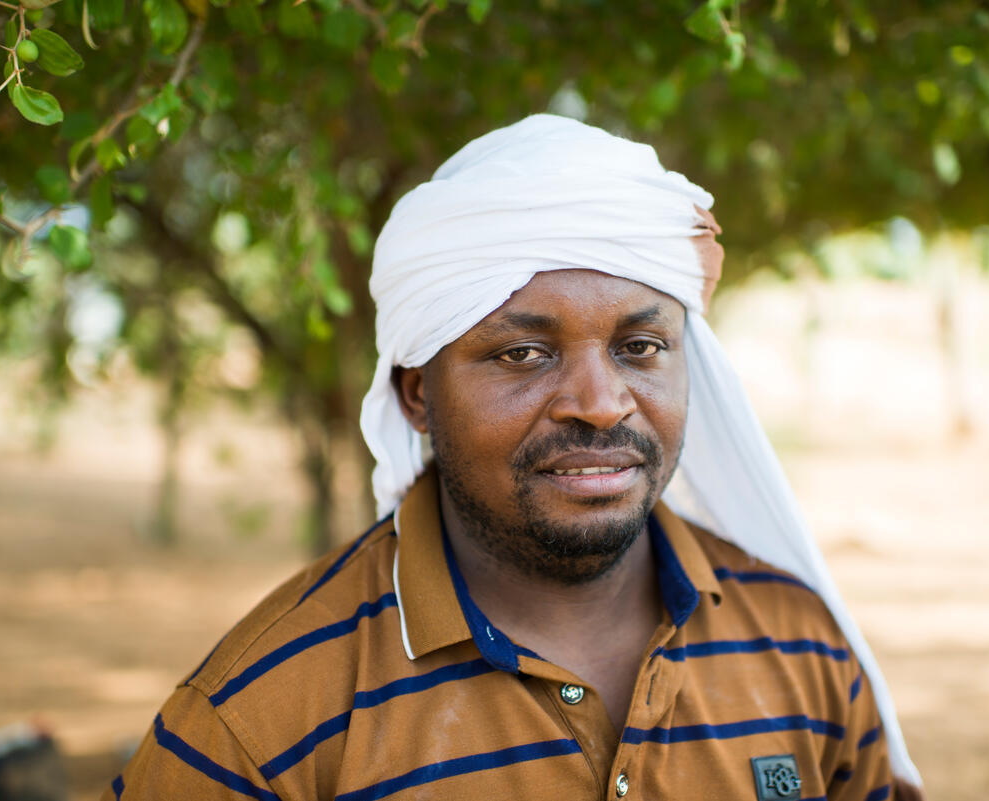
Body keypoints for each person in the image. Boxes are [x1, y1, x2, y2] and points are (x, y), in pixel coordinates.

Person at [103, 115, 923, 801]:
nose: (600, 403)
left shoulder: (800, 645)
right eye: (523, 354)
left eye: (640, 346)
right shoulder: (258, 724)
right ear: (417, 392)